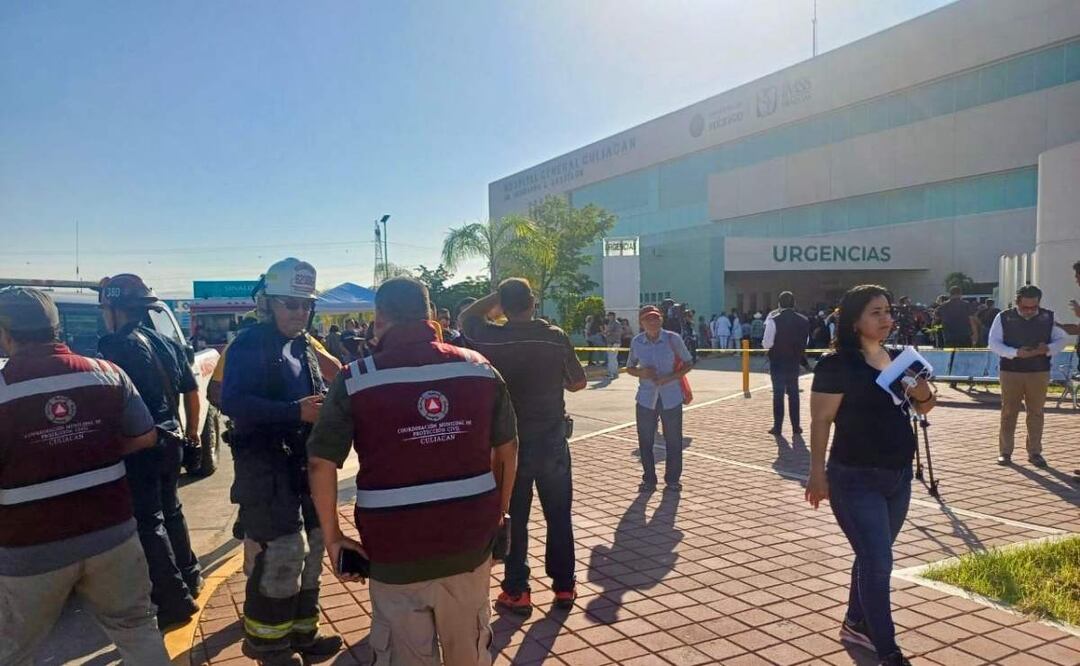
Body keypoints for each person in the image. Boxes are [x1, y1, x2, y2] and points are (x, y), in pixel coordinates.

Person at [306, 277, 519, 666]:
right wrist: (498, 514)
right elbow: (507, 450)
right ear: (431, 315)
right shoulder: (480, 369)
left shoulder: (355, 379)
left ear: (379, 317)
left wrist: (334, 538)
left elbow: (321, 462)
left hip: (393, 550)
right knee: (468, 652)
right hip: (469, 543)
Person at [0, 288, 171, 665]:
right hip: (112, 536)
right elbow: (145, 434)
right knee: (137, 629)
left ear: (6, 332)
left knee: (14, 652)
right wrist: (95, 449)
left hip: (30, 549)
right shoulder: (107, 374)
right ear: (56, 328)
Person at [220, 258, 342, 665]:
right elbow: (232, 401)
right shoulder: (249, 343)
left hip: (302, 464)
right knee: (284, 551)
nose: (299, 312)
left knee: (315, 547)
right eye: (290, 303)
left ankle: (303, 635)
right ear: (269, 303)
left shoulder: (305, 344)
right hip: (264, 467)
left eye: (305, 304)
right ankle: (267, 646)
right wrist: (294, 411)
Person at [806, 285, 936, 666]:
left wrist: (923, 391)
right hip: (854, 476)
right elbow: (821, 421)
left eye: (888, 311)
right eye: (876, 312)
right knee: (878, 562)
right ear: (855, 320)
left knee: (872, 557)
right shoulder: (836, 365)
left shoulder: (898, 359)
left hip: (897, 476)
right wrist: (816, 473)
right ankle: (887, 649)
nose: (886, 319)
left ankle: (855, 623)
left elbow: (925, 409)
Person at [459, 278, 587, 616]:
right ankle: (564, 586)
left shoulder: (491, 337)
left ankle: (517, 590)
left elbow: (464, 320)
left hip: (509, 446)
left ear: (504, 305)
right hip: (553, 442)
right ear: (533, 302)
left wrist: (495, 296)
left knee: (515, 517)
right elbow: (578, 382)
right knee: (559, 516)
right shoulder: (554, 337)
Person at [97, 273, 202, 628]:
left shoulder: (115, 346)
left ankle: (173, 600)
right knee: (171, 510)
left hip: (141, 444)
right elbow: (191, 390)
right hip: (172, 440)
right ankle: (190, 575)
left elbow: (114, 404)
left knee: (148, 521)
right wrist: (191, 434)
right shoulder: (165, 342)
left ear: (113, 309)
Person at [988, 285, 1068, 468]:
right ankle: (1005, 452)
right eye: (1025, 307)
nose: (1030, 311)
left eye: (1034, 307)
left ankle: (1035, 452)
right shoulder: (1003, 317)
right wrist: (1015, 352)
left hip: (1039, 370)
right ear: (1017, 303)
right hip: (1011, 370)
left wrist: (1048, 349)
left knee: (1036, 412)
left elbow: (1062, 339)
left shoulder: (1049, 316)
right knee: (1009, 412)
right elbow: (994, 343)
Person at [627, 305, 693, 493]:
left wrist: (669, 378)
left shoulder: (673, 339)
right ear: (641, 323)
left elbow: (688, 363)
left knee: (673, 440)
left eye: (656, 318)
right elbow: (630, 367)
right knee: (645, 440)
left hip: (670, 396)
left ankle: (673, 480)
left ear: (661, 320)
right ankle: (649, 479)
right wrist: (642, 372)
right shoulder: (637, 342)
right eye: (648, 319)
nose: (653, 322)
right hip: (646, 398)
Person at [763, 292, 810, 436]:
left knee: (778, 394)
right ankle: (796, 427)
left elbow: (767, 343)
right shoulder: (803, 320)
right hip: (794, 361)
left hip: (777, 361)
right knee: (793, 394)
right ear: (794, 303)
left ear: (779, 304)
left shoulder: (773, 320)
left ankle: (778, 427)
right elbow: (805, 342)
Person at [604, 311, 621, 378]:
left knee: (611, 358)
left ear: (613, 316)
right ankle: (615, 373)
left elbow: (617, 333)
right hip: (610, 342)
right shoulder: (610, 323)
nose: (608, 317)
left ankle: (611, 373)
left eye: (609, 316)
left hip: (614, 343)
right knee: (613, 358)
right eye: (608, 316)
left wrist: (608, 333)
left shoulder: (616, 324)